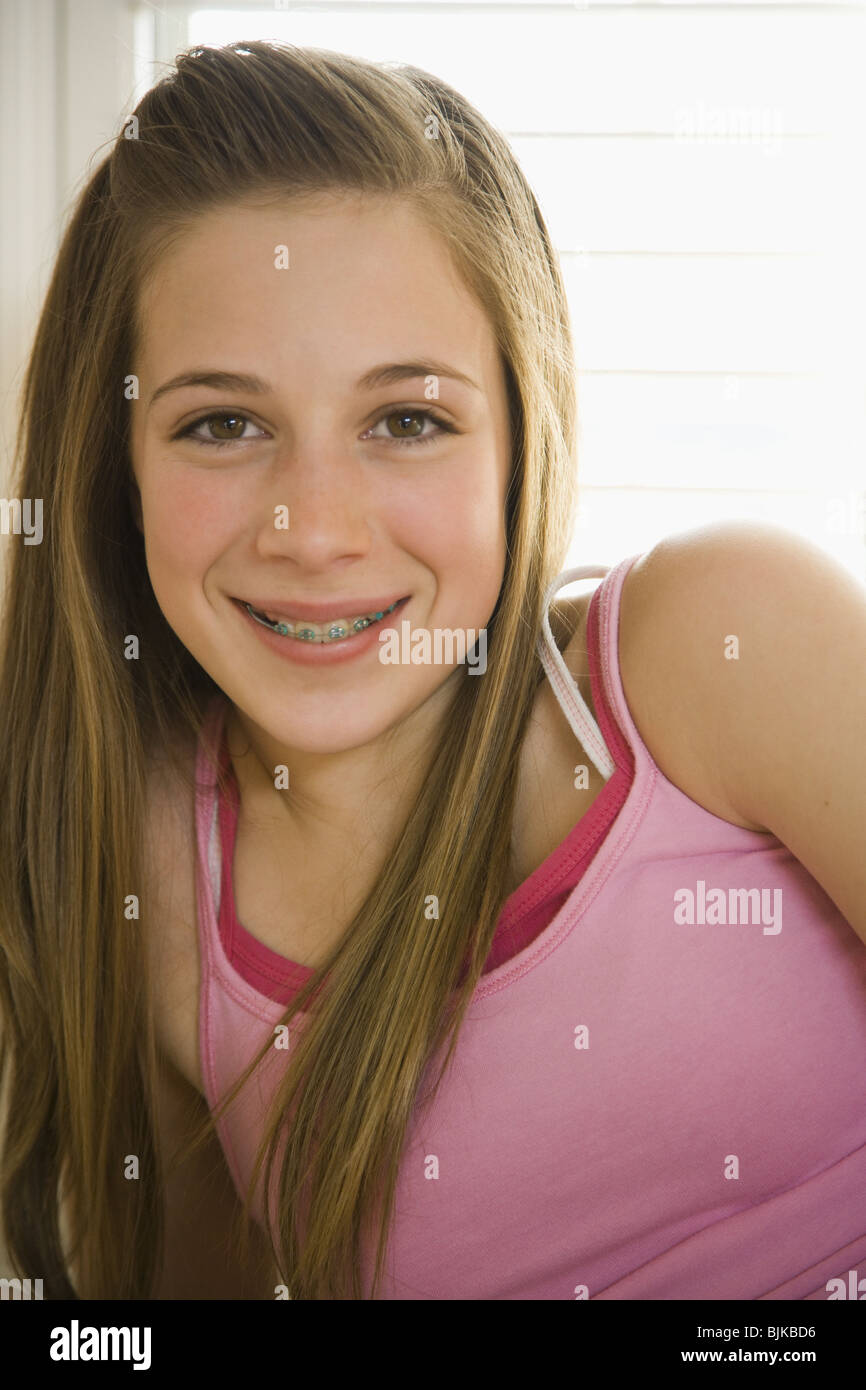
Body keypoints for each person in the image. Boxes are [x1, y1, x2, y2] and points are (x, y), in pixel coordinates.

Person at [1, 41, 864, 1302]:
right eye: (222, 424)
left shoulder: (718, 648)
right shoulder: (154, 877)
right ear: (112, 469)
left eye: (406, 420)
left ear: (519, 436)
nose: (314, 527)